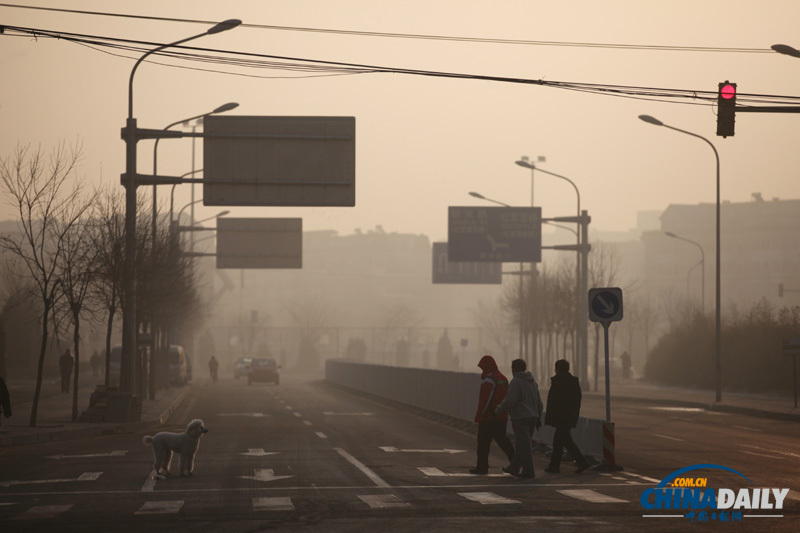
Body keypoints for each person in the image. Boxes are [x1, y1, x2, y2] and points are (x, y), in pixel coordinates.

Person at [494, 358, 543, 478]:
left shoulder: (516, 382)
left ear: (514, 369)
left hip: (521, 417)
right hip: (533, 417)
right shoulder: (532, 382)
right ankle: (514, 467)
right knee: (522, 444)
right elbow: (539, 402)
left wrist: (498, 410)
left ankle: (528, 471)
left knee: (524, 445)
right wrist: (539, 415)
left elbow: (510, 400)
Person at [470, 355, 515, 475]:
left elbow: (484, 401)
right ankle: (515, 462)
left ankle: (482, 467)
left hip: (489, 417)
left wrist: (478, 417)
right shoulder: (503, 378)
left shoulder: (489, 379)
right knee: (502, 440)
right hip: (501, 415)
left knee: (483, 442)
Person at [545, 359, 590, 474]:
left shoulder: (559, 382)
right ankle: (554, 466)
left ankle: (581, 461)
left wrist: (552, 415)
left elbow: (555, 401)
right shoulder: (572, 382)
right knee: (560, 441)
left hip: (561, 417)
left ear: (558, 369)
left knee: (564, 440)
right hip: (568, 416)